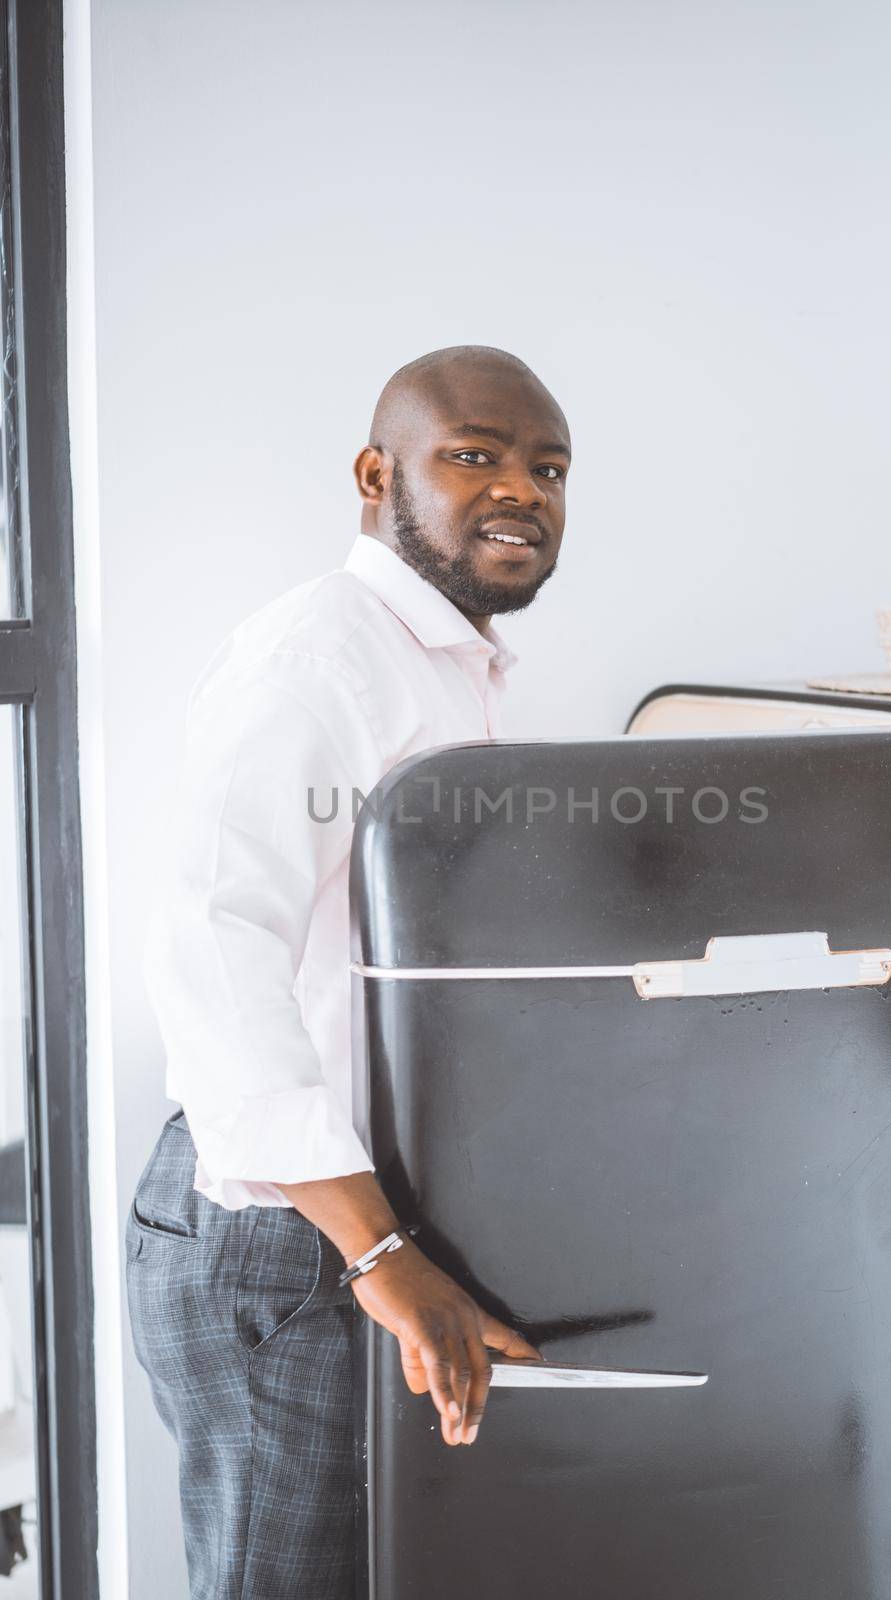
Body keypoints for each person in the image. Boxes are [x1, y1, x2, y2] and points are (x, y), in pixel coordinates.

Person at [128, 345, 571, 1599]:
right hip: (288, 1237)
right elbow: (214, 947)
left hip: (366, 1225)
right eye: (474, 455)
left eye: (548, 468)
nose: (521, 490)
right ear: (377, 475)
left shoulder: (449, 668)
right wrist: (379, 1255)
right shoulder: (321, 658)